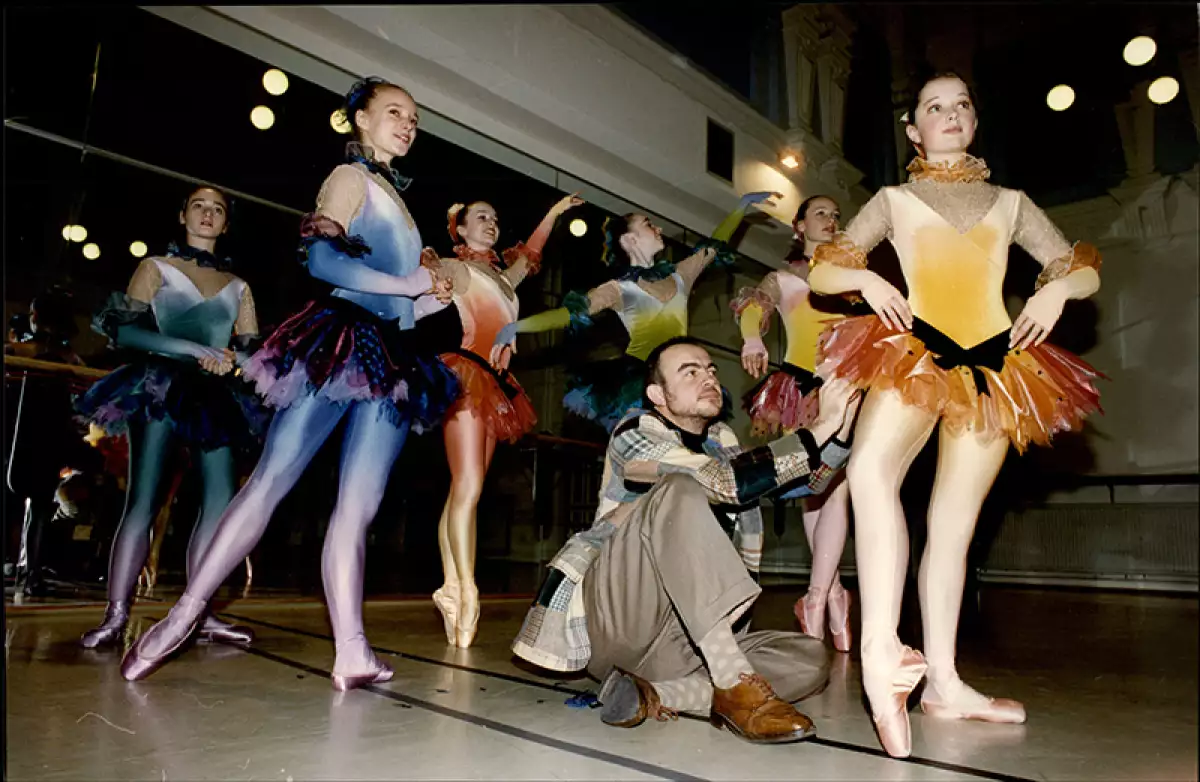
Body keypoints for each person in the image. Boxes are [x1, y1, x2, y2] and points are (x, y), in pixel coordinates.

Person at [121, 77, 458, 691]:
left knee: (358, 508)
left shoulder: (399, 202)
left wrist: (431, 294)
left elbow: (401, 300)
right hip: (341, 339)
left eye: (414, 116)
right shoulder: (349, 178)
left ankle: (351, 651)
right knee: (272, 480)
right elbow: (323, 262)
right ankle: (182, 616)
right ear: (359, 119)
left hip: (392, 358)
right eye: (394, 112)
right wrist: (406, 284)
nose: (408, 123)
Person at [807, 72, 1104, 757]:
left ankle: (942, 680)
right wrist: (864, 276)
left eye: (961, 104)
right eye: (933, 107)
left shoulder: (1011, 201)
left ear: (974, 122)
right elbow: (825, 270)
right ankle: (883, 648)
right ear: (913, 130)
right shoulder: (895, 198)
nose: (949, 114)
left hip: (997, 366)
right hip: (916, 352)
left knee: (953, 528)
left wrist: (1058, 292)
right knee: (872, 469)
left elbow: (1079, 266)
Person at [512, 336, 862, 744]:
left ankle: (655, 694)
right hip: (620, 621)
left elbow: (803, 482)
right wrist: (818, 427)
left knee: (810, 658)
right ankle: (734, 681)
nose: (709, 378)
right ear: (658, 394)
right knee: (680, 489)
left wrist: (842, 428)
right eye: (690, 372)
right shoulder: (634, 431)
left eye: (711, 369)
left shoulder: (722, 443)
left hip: (684, 646)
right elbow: (722, 481)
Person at [74, 186, 267, 647]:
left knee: (219, 505)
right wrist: (192, 348)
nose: (208, 214)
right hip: (159, 386)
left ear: (225, 224)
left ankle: (198, 611)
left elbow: (250, 353)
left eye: (218, 209)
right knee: (143, 499)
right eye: (199, 205)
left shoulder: (240, 287)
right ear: (183, 214)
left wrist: (233, 361)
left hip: (214, 396)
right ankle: (116, 615)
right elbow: (125, 332)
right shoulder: (155, 267)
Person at [417, 194, 583, 648]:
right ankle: (468, 591)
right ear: (462, 229)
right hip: (466, 374)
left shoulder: (505, 280)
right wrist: (433, 286)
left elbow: (530, 254)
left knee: (464, 491)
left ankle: (450, 587)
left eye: (495, 217)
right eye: (481, 217)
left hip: (497, 385)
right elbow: (426, 283)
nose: (491, 223)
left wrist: (552, 213)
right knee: (467, 487)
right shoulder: (457, 266)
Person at [491, 193, 781, 431]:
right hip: (641, 378)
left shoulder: (682, 275)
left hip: (680, 374)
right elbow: (567, 314)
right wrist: (515, 327)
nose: (659, 229)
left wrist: (741, 207)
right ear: (629, 240)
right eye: (648, 224)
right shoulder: (618, 289)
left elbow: (714, 245)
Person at [733, 194, 857, 652]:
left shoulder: (851, 280)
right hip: (802, 390)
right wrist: (751, 339)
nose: (831, 218)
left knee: (833, 489)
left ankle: (820, 596)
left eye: (835, 213)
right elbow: (755, 307)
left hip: (848, 390)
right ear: (799, 226)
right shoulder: (784, 277)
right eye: (821, 212)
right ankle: (828, 595)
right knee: (818, 490)